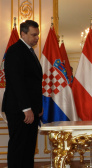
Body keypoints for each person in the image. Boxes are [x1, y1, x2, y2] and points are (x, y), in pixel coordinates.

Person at [2, 20, 43, 168]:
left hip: (30, 109)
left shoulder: (29, 52)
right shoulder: (15, 51)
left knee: (28, 149)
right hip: (20, 110)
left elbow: (33, 82)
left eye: (37, 35)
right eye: (33, 35)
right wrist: (26, 108)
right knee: (19, 148)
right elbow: (16, 82)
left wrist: (38, 107)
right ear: (23, 34)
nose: (37, 38)